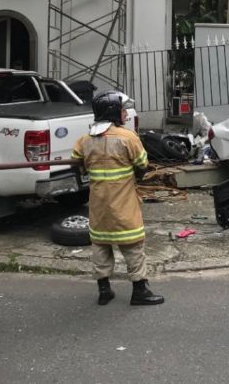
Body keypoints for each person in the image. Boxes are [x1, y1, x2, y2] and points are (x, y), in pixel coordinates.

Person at [71, 91, 164, 307]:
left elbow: (76, 164)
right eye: (122, 110)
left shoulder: (85, 140)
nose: (125, 114)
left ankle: (104, 291)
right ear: (114, 112)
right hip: (123, 206)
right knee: (133, 245)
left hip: (98, 206)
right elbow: (142, 165)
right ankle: (140, 290)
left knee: (101, 245)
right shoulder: (128, 137)